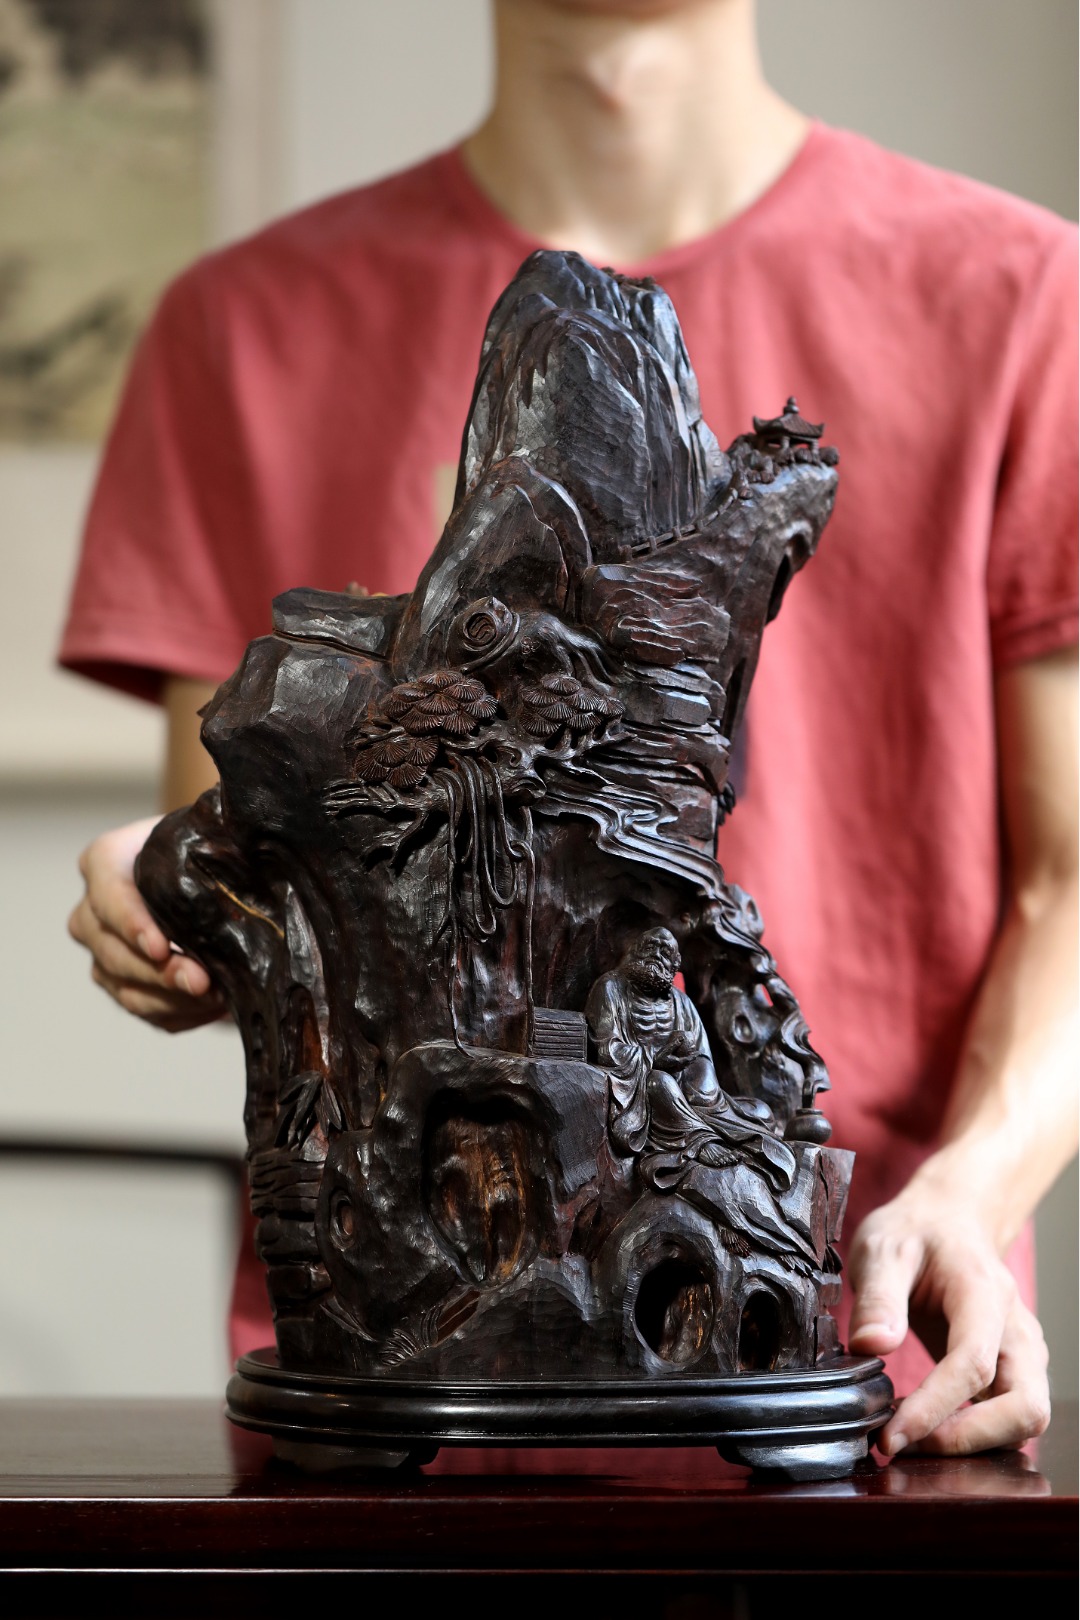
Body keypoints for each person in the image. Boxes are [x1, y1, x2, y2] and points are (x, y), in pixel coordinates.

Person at [63, 0, 1077, 1458]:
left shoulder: (1031, 297)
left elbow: (1070, 883)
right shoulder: (236, 327)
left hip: (855, 1375)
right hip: (397, 1388)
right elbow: (239, 868)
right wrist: (164, 895)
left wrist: (969, 1193)